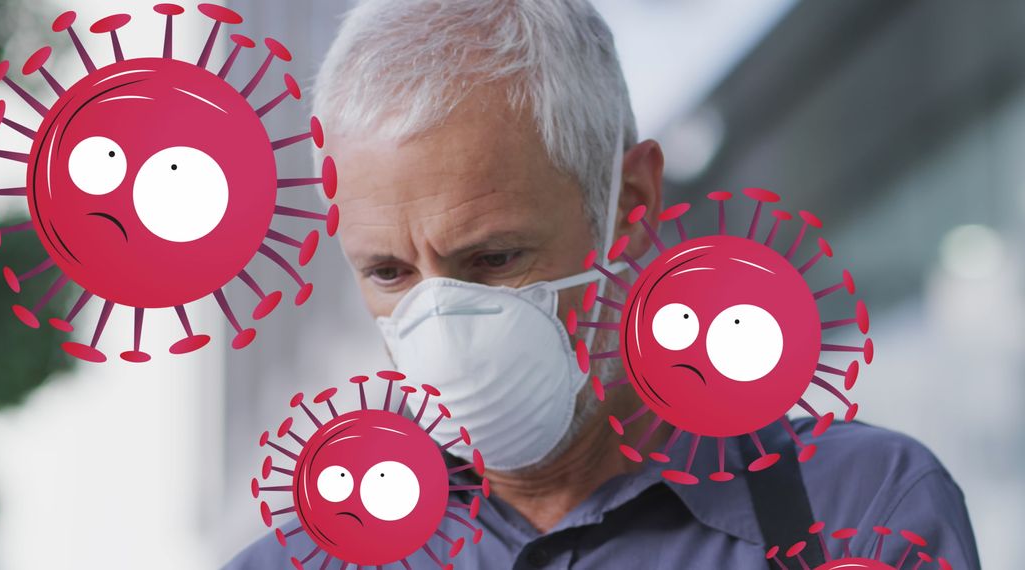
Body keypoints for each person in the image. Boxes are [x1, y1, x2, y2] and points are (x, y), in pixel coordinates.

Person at [225, 1, 980, 568]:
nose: (442, 328)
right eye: (389, 273)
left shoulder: (865, 513)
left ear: (633, 209)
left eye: (494, 260)